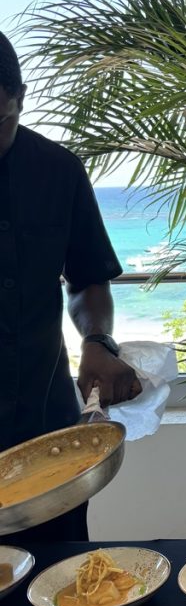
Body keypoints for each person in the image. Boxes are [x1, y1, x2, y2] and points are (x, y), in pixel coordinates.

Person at [0, 32, 139, 541]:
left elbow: (87, 278)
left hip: (47, 434)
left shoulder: (59, 170)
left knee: (59, 590)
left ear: (20, 98)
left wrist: (97, 342)